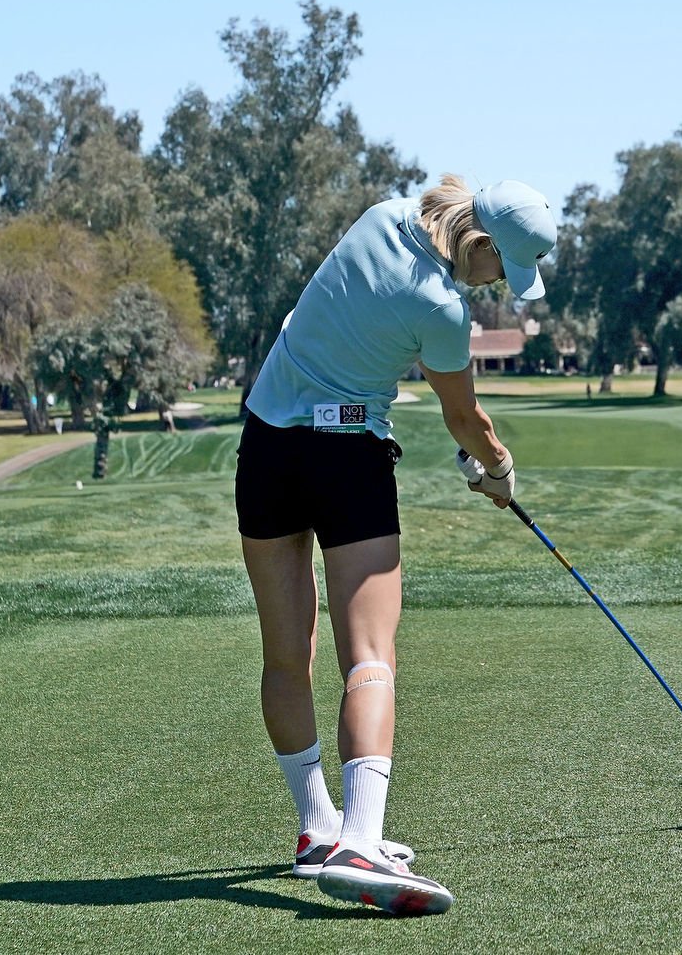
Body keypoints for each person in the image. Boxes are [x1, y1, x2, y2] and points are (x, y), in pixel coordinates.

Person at [234, 175, 556, 915]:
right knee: (370, 655)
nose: (497, 283)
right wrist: (499, 471)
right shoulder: (442, 307)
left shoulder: (382, 215)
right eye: (501, 267)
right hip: (347, 458)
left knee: (285, 656)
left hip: (266, 449)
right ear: (480, 243)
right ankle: (361, 840)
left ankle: (318, 831)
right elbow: (465, 420)